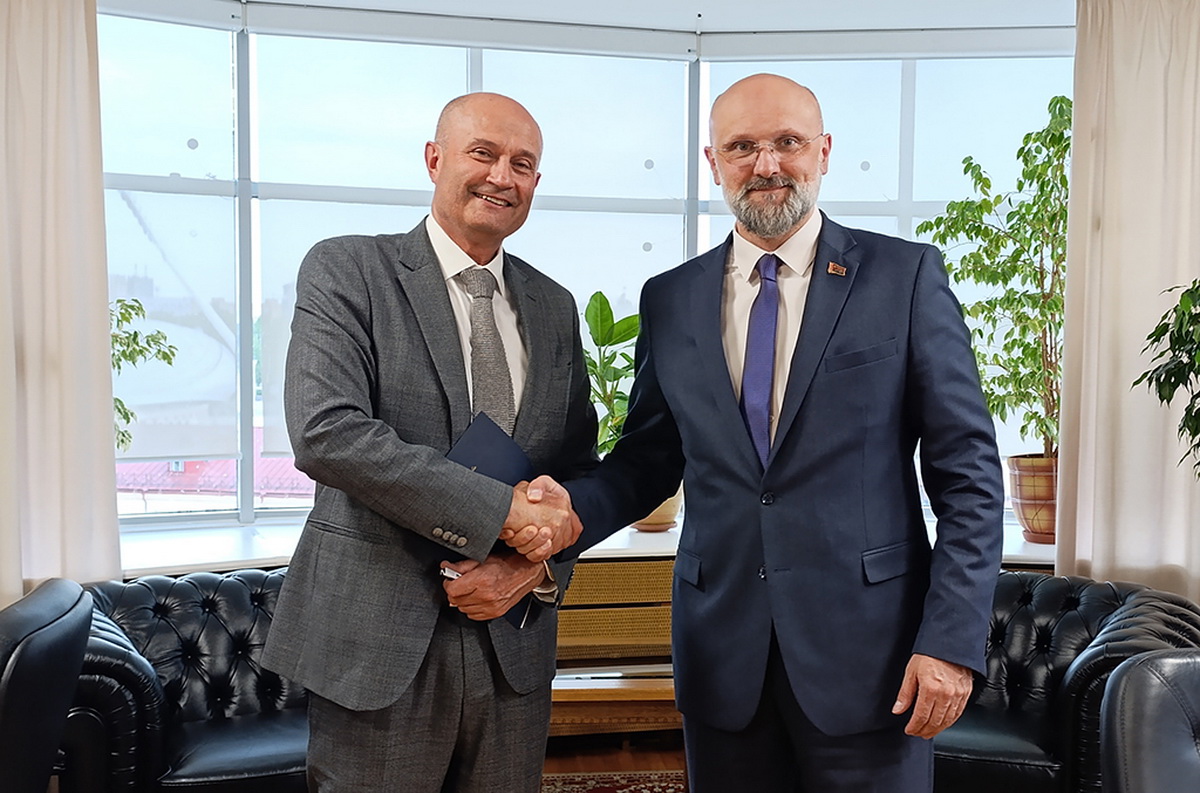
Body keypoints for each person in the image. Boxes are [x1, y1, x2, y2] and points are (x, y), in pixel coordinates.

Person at [513, 73, 1004, 791]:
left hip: (874, 660)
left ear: (824, 151)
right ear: (713, 162)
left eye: (788, 142)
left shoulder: (904, 278)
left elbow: (970, 477)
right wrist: (567, 512)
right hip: (722, 659)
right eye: (742, 146)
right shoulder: (671, 298)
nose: (767, 164)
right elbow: (650, 459)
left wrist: (952, 642)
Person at [262, 92, 597, 793]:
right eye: (484, 153)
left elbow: (572, 473)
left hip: (512, 647)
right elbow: (327, 432)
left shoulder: (554, 306)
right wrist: (504, 514)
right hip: (376, 647)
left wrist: (531, 570)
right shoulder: (349, 269)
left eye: (523, 164)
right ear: (434, 159)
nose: (502, 176)